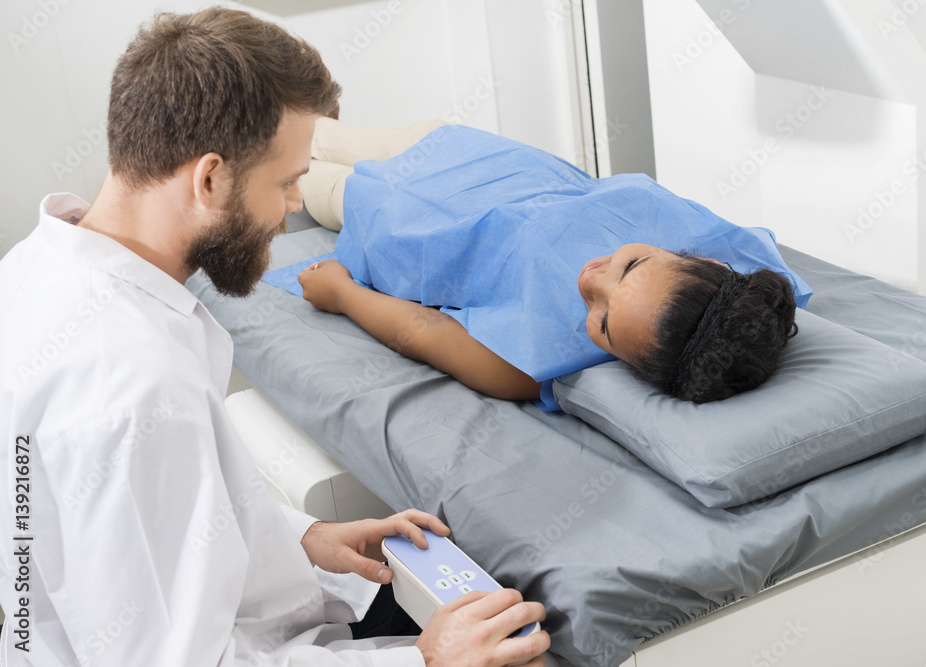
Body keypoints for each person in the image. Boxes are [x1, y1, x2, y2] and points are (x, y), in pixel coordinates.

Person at [0, 8, 548, 667]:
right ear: (208, 179)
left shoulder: (34, 266)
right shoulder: (136, 385)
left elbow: (144, 528)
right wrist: (424, 661)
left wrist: (302, 536)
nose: (291, 208)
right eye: (285, 182)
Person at [294, 118, 811, 410]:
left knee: (291, 169)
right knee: (310, 130)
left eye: (603, 324)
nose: (593, 282)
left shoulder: (533, 364)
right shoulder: (715, 248)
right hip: (460, 153)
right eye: (629, 267)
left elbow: (424, 330)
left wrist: (342, 294)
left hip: (395, 220)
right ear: (700, 260)